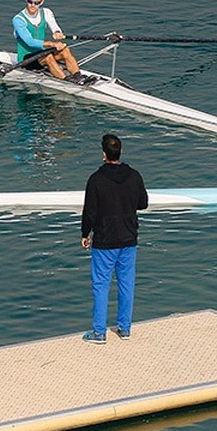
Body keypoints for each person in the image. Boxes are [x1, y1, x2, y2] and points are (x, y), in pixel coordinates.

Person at [80, 133, 148, 344]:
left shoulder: (96, 180)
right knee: (126, 284)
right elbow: (143, 203)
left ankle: (99, 332)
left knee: (101, 285)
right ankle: (124, 328)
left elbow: (89, 212)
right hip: (128, 238)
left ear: (103, 154)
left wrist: (85, 234)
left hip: (105, 240)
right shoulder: (134, 176)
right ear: (121, 152)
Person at [12, 0, 89, 83]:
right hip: (26, 59)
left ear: (42, 2)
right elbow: (29, 41)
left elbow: (54, 26)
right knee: (48, 57)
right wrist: (52, 44)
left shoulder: (46, 12)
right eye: (30, 1)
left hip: (40, 54)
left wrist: (57, 33)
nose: (32, 5)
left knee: (65, 50)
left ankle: (78, 76)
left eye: (36, 3)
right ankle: (66, 81)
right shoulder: (18, 19)